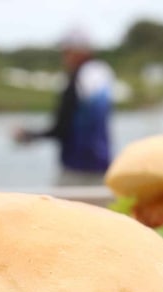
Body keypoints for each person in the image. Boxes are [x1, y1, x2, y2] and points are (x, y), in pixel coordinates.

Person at [14, 28, 115, 186]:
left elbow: (62, 127)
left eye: (66, 51)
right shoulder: (103, 72)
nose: (64, 56)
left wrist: (29, 135)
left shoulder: (76, 79)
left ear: (78, 51)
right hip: (103, 167)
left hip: (75, 169)